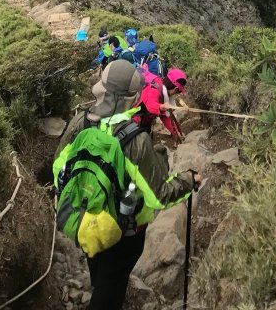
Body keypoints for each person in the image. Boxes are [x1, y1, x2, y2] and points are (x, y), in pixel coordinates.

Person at [55, 60, 201, 309]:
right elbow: (158, 197)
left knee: (100, 273)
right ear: (134, 98)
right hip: (124, 231)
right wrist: (189, 179)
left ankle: (100, 289)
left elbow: (59, 166)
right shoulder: (136, 139)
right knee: (109, 294)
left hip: (85, 218)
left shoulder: (80, 122)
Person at [135, 67, 187, 144]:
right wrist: (161, 107)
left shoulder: (161, 87)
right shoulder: (154, 90)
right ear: (175, 89)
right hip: (134, 120)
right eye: (177, 92)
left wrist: (176, 133)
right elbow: (150, 105)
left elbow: (166, 117)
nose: (176, 94)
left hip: (144, 119)